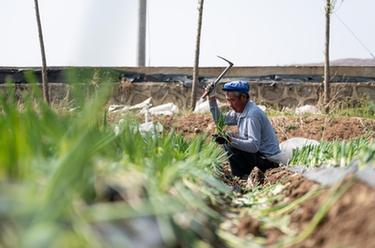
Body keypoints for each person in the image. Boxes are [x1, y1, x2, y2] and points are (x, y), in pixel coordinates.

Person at [206, 80, 283, 178]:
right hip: (257, 156)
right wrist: (211, 99)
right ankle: (242, 174)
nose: (229, 104)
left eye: (232, 100)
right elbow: (220, 120)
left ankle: (242, 176)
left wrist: (229, 140)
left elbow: (253, 145)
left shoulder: (252, 115)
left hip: (267, 161)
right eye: (228, 100)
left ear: (243, 98)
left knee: (229, 142)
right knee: (229, 138)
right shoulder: (241, 110)